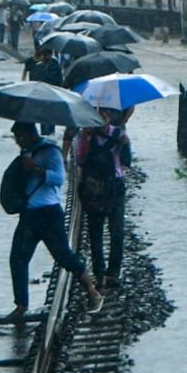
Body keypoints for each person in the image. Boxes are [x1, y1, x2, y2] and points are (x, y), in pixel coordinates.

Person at [6, 121, 103, 321]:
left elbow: (59, 178)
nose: (17, 141)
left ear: (29, 134)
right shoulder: (26, 153)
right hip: (28, 214)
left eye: (19, 137)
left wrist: (36, 169)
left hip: (48, 213)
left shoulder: (51, 152)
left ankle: (93, 292)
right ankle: (21, 306)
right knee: (18, 260)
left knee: (64, 257)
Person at [75, 109, 132, 290]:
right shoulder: (86, 135)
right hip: (93, 188)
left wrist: (125, 145)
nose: (101, 121)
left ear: (109, 118)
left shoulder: (119, 134)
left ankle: (113, 273)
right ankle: (99, 273)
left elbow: (127, 161)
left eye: (104, 117)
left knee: (117, 231)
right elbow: (80, 159)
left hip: (114, 185)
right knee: (95, 232)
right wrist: (86, 140)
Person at [24, 48, 63, 135]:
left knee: (44, 114)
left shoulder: (38, 66)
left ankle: (45, 132)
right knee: (50, 114)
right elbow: (59, 81)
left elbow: (33, 80)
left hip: (42, 94)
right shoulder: (55, 66)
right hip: (52, 94)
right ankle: (50, 132)